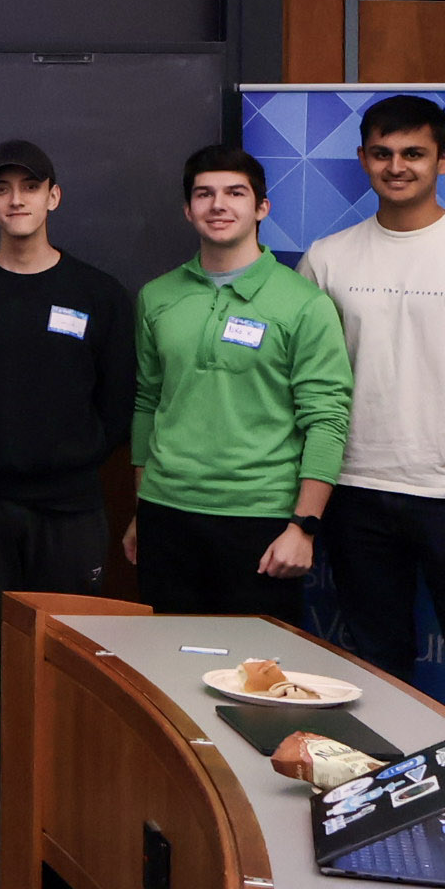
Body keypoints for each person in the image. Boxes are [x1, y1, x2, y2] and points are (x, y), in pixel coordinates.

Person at [297, 96, 445, 764]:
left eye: (413, 153)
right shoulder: (326, 258)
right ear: (362, 159)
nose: (396, 166)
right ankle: (385, 810)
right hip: (354, 497)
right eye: (382, 153)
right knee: (377, 678)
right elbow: (306, 385)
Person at [0, 139, 135, 862]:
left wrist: (68, 458)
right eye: (2, 188)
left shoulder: (99, 294)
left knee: (70, 658)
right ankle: (2, 801)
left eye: (30, 186)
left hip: (70, 507)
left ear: (54, 196)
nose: (17, 199)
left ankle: (67, 806)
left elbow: (118, 404)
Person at [127, 144, 351, 621]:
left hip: (260, 519)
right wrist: (142, 509)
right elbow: (147, 402)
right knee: (166, 658)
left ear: (261, 208)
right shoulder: (157, 296)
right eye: (204, 194)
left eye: (235, 193)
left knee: (255, 664)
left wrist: (304, 526)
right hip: (166, 515)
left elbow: (327, 420)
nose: (218, 205)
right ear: (188, 210)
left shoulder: (304, 304)